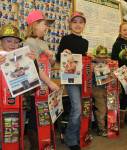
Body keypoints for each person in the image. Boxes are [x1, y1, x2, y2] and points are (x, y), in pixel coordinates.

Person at [24, 10, 59, 149]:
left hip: (45, 87)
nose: (46, 27)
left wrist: (51, 57)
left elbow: (51, 64)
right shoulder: (29, 42)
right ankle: (35, 145)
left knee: (44, 114)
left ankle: (45, 142)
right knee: (34, 116)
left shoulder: (43, 43)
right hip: (36, 87)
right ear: (34, 25)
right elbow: (36, 68)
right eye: (44, 24)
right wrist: (50, 83)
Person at [56, 11, 88, 150]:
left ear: (84, 25)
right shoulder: (66, 39)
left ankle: (79, 136)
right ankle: (71, 140)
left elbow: (83, 59)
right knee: (77, 108)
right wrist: (64, 54)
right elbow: (59, 58)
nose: (77, 25)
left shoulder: (85, 42)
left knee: (82, 108)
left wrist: (89, 57)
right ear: (70, 24)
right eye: (74, 22)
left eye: (80, 22)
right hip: (70, 79)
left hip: (84, 79)